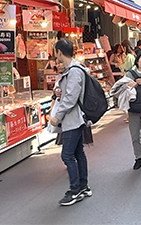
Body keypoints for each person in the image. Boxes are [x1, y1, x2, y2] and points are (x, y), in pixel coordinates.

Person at [50, 39, 92, 206]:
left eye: (55, 52)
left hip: (73, 119)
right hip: (76, 118)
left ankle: (75, 190)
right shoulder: (72, 69)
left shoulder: (74, 71)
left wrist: (57, 117)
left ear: (60, 52)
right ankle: (83, 187)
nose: (55, 55)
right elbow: (68, 94)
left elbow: (70, 99)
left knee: (67, 155)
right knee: (78, 153)